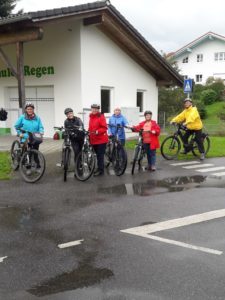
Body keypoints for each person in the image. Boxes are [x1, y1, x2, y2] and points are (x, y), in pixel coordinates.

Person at [14, 102, 44, 173]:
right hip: (25, 137)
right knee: (27, 153)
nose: (29, 110)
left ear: (33, 109)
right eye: (28, 109)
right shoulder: (22, 117)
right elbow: (16, 126)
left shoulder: (37, 118)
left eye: (31, 109)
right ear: (26, 110)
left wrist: (41, 131)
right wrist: (19, 133)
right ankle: (28, 168)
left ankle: (38, 166)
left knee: (36, 152)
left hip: (34, 137)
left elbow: (41, 126)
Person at [88, 104, 108, 176]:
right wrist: (88, 133)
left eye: (96, 109)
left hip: (101, 140)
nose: (94, 110)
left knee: (100, 156)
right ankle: (99, 168)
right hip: (94, 140)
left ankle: (101, 171)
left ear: (98, 110)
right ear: (91, 109)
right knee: (97, 155)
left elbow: (104, 128)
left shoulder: (101, 117)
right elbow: (90, 127)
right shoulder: (91, 117)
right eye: (93, 108)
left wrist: (97, 131)